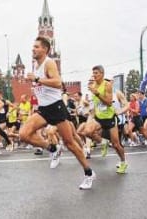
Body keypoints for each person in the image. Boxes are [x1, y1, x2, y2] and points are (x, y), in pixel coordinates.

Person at [19, 37, 95, 189]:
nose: (33, 49)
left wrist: (37, 79)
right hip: (43, 109)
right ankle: (53, 148)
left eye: (36, 47)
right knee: (24, 134)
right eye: (33, 46)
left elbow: (58, 82)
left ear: (45, 49)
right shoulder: (36, 64)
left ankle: (89, 173)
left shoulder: (49, 62)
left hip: (56, 107)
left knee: (70, 143)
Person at [82, 65, 128, 174]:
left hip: (110, 118)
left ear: (102, 74)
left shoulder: (107, 85)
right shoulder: (93, 86)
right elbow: (95, 104)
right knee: (87, 131)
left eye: (96, 73)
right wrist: (89, 111)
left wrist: (97, 93)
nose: (94, 75)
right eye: (93, 73)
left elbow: (108, 102)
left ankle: (123, 161)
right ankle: (103, 142)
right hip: (99, 118)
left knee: (116, 145)